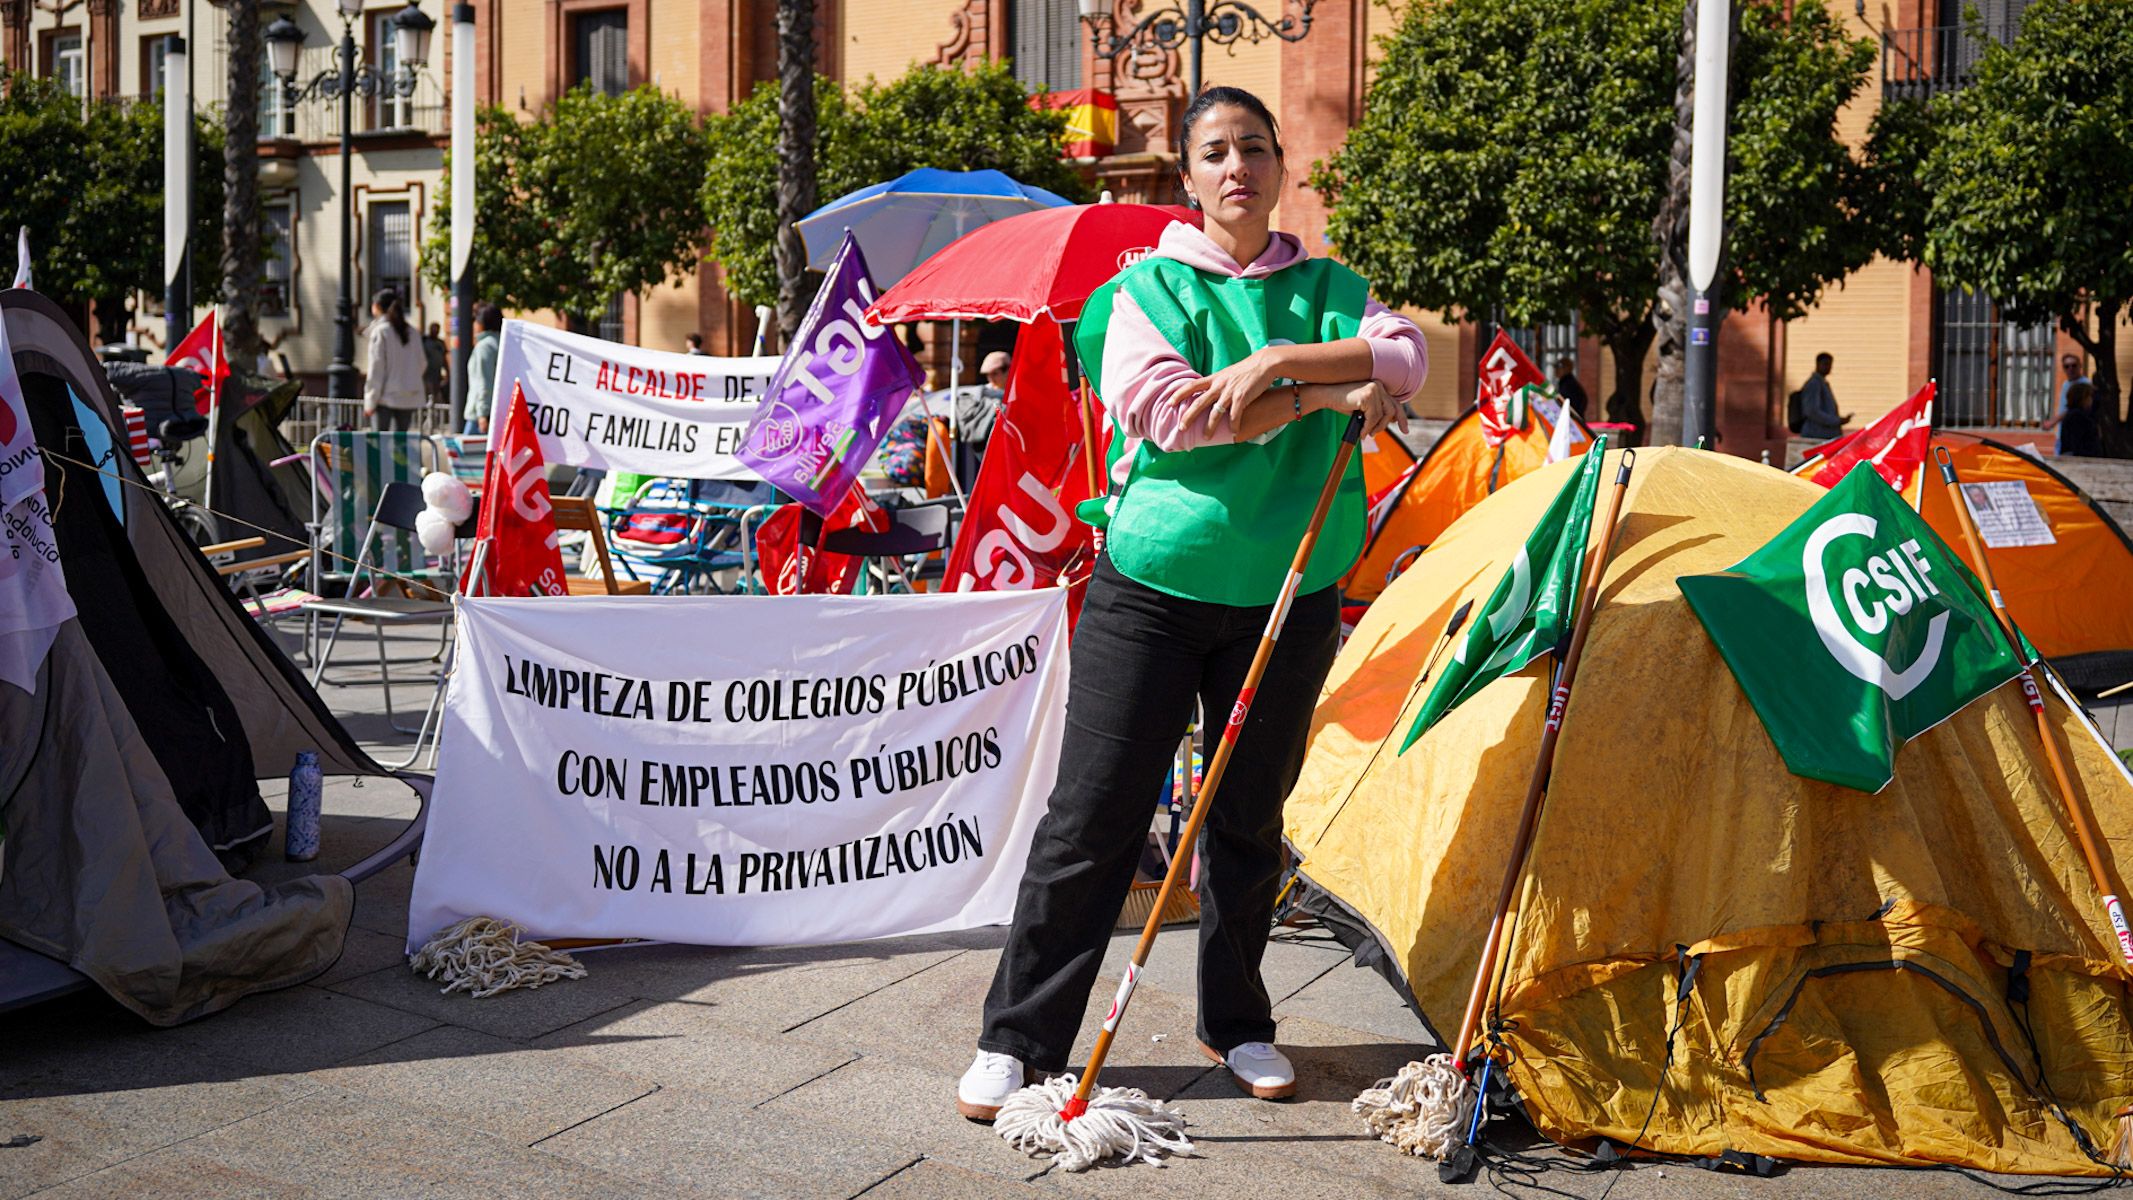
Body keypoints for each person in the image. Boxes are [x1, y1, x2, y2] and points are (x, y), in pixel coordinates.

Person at [956, 85, 1425, 1120]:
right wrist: (1321, 392)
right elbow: (1176, 415)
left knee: (1250, 819)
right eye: (1215, 152)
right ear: (1189, 176)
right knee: (1095, 816)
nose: (1237, 168)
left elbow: (1407, 357)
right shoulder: (1140, 292)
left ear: (1278, 167)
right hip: (1155, 593)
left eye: (1255, 148)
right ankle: (1019, 1035)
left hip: (1290, 593)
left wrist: (1280, 360)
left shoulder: (1330, 286)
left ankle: (1239, 1019)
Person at [364, 289, 427, 432]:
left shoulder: (380, 331)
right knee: (401, 445)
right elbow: (422, 362)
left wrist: (370, 401)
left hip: (385, 397)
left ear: (377, 306)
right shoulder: (412, 331)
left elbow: (376, 369)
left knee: (380, 444)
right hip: (409, 394)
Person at [464, 304, 502, 435]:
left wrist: (482, 414)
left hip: (480, 415)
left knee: (467, 454)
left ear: (483, 323)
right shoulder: (502, 342)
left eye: (476, 320)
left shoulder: (484, 347)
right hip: (498, 411)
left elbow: (483, 382)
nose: (474, 324)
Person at [2042, 354, 2090, 455]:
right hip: (2063, 433)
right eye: (2067, 366)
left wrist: (2053, 421)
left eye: (2074, 365)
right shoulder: (2066, 384)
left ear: (2080, 366)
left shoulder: (2084, 384)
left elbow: (2072, 409)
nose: (2070, 369)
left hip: (2076, 435)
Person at [1797, 352, 1848, 441]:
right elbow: (1812, 411)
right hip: (1816, 435)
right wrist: (1835, 421)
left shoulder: (1822, 384)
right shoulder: (1814, 384)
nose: (1828, 367)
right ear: (1818, 364)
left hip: (1825, 435)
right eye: (1825, 364)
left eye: (1829, 365)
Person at [2058, 381, 2103, 458]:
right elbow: (2077, 445)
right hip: (2081, 461)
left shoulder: (2077, 414)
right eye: (2090, 396)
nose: (2091, 399)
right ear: (2083, 398)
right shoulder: (2077, 416)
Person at [1552, 355, 1588, 422]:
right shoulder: (1565, 382)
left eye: (1558, 367)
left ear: (1567, 368)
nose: (1555, 370)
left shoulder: (1569, 384)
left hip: (1572, 421)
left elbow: (1563, 401)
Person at [421, 321, 448, 406]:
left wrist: (447, 371)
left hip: (437, 376)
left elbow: (444, 359)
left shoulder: (440, 343)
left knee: (437, 397)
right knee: (428, 397)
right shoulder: (424, 342)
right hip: (426, 376)